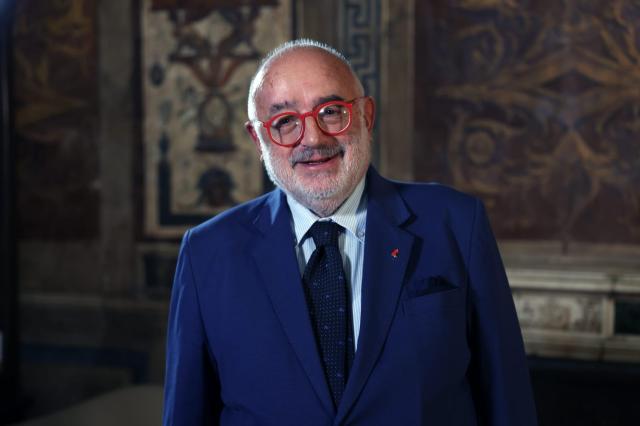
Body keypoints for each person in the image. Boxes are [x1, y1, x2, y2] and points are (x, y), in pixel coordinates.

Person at [163, 39, 538, 426]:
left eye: (330, 112)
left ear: (366, 116)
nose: (312, 139)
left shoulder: (456, 222)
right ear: (258, 139)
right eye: (285, 121)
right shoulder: (206, 252)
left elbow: (508, 401)